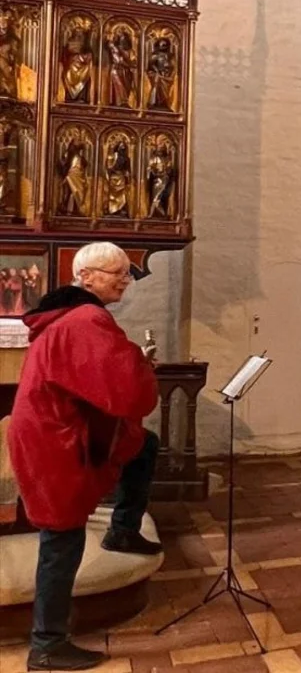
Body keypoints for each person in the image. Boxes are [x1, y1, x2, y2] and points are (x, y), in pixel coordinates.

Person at [7, 242, 162, 671]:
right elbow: (130, 393)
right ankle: (47, 645)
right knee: (62, 538)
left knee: (143, 446)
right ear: (86, 277)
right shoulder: (86, 319)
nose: (124, 281)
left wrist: (130, 362)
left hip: (51, 429)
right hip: (55, 441)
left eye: (126, 274)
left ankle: (123, 530)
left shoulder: (71, 316)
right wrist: (140, 364)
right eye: (116, 273)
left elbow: (99, 376)